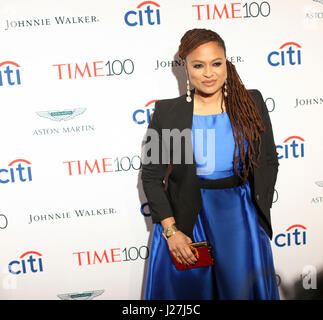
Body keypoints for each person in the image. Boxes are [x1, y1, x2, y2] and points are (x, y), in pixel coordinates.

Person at [141, 28, 280, 300]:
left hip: (239, 218)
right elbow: (151, 177)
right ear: (185, 67)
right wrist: (172, 232)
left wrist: (257, 213)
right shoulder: (168, 113)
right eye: (198, 65)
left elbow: (268, 160)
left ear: (226, 62)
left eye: (216, 63)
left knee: (240, 292)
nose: (208, 73)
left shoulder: (250, 103)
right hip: (188, 221)